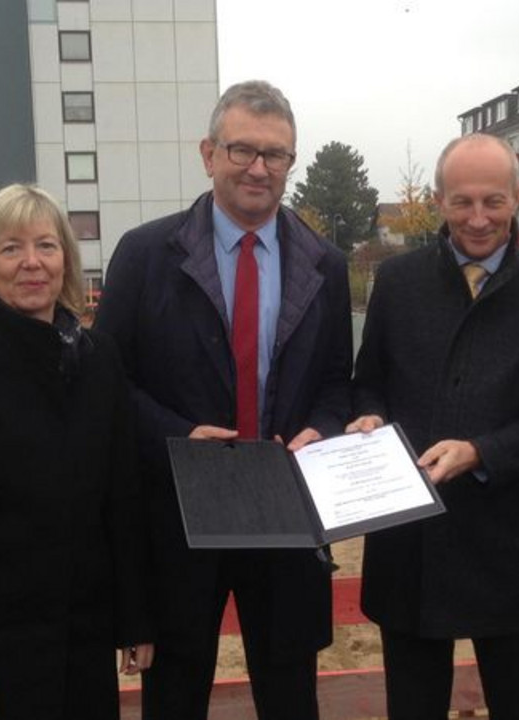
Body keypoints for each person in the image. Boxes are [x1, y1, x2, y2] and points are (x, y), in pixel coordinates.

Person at [94, 80, 353, 720]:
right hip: (179, 512)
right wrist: (174, 439)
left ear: (291, 162)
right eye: (242, 150)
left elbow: (335, 383)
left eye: (276, 155)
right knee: (176, 691)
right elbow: (106, 384)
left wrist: (321, 429)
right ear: (208, 153)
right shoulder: (145, 254)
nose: (258, 168)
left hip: (285, 511)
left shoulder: (325, 263)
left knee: (291, 690)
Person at [347, 133, 519, 720]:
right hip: (410, 537)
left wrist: (481, 453)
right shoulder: (398, 282)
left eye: (493, 201)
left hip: (505, 537)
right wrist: (369, 415)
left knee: (515, 704)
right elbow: (369, 379)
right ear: (438, 201)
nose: (478, 219)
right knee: (412, 705)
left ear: (518, 199)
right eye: (462, 202)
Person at [0, 184, 153, 720]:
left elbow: (122, 497)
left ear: (67, 259)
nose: (32, 263)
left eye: (47, 245)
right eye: (11, 248)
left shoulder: (98, 359)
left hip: (81, 640)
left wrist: (136, 620)